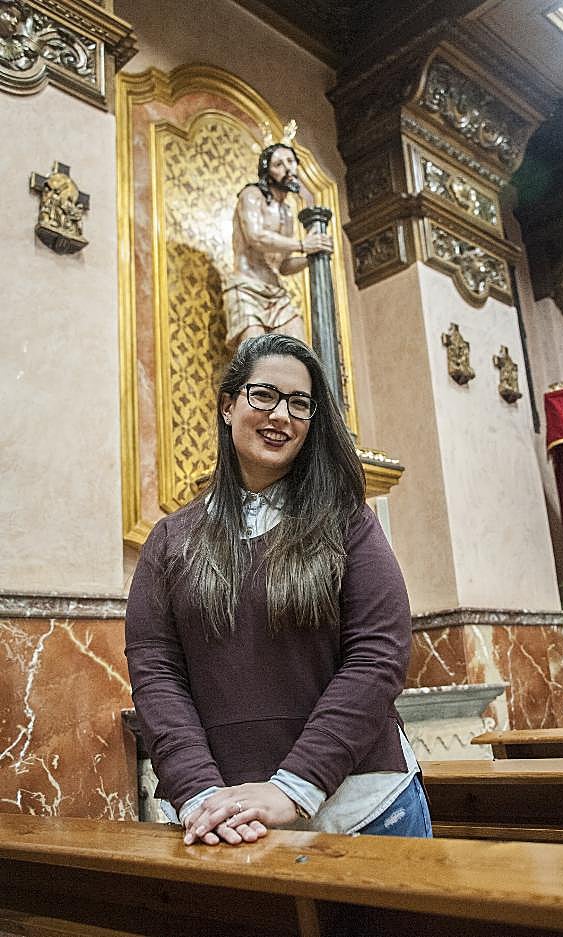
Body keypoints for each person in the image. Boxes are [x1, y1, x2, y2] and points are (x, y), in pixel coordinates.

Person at [125, 333, 432, 846]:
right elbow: (156, 674)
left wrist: (294, 786)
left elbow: (377, 656)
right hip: (221, 817)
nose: (281, 415)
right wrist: (197, 790)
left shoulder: (347, 522)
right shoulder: (170, 540)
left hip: (359, 808)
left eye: (299, 403)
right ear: (228, 405)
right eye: (264, 395)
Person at [222, 141, 333, 349]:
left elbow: (282, 266)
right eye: (279, 164)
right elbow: (255, 236)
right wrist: (303, 244)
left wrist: (312, 256)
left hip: (276, 295)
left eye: (291, 161)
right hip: (247, 288)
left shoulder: (287, 212)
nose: (288, 168)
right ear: (267, 171)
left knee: (299, 351)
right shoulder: (252, 195)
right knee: (256, 360)